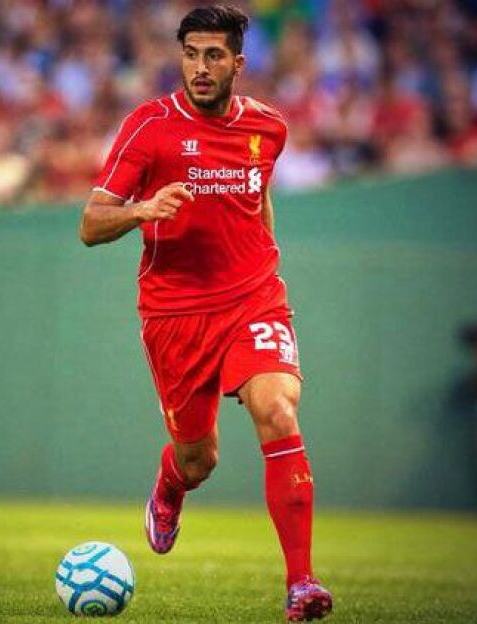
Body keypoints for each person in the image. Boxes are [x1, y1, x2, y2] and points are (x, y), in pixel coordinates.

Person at [79, 5, 332, 621]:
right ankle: (172, 481)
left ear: (238, 63)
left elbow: (257, 196)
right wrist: (141, 210)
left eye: (213, 55)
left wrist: (266, 260)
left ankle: (301, 584)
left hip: (253, 298)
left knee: (278, 409)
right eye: (191, 54)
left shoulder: (269, 127)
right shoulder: (150, 126)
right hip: (175, 314)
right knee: (200, 460)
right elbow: (90, 223)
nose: (200, 67)